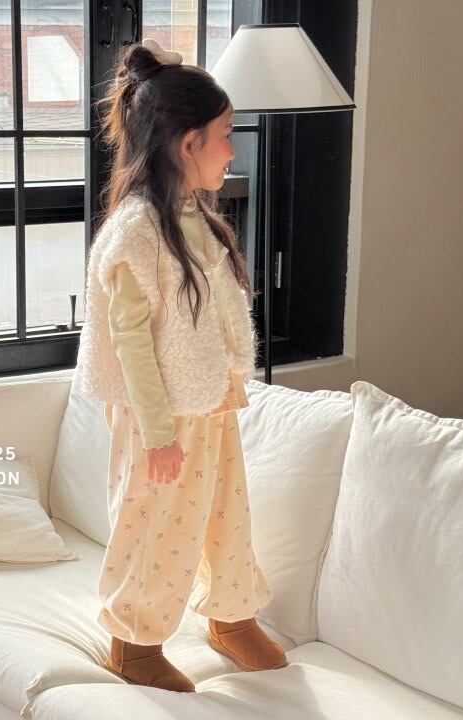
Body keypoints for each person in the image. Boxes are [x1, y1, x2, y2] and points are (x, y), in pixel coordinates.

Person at [75, 37, 288, 693]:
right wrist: (159, 433)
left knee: (226, 515)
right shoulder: (136, 230)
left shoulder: (192, 215)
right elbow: (131, 341)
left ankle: (231, 616)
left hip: (210, 405)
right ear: (188, 143)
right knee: (154, 526)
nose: (232, 151)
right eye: (225, 136)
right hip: (160, 420)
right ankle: (133, 643)